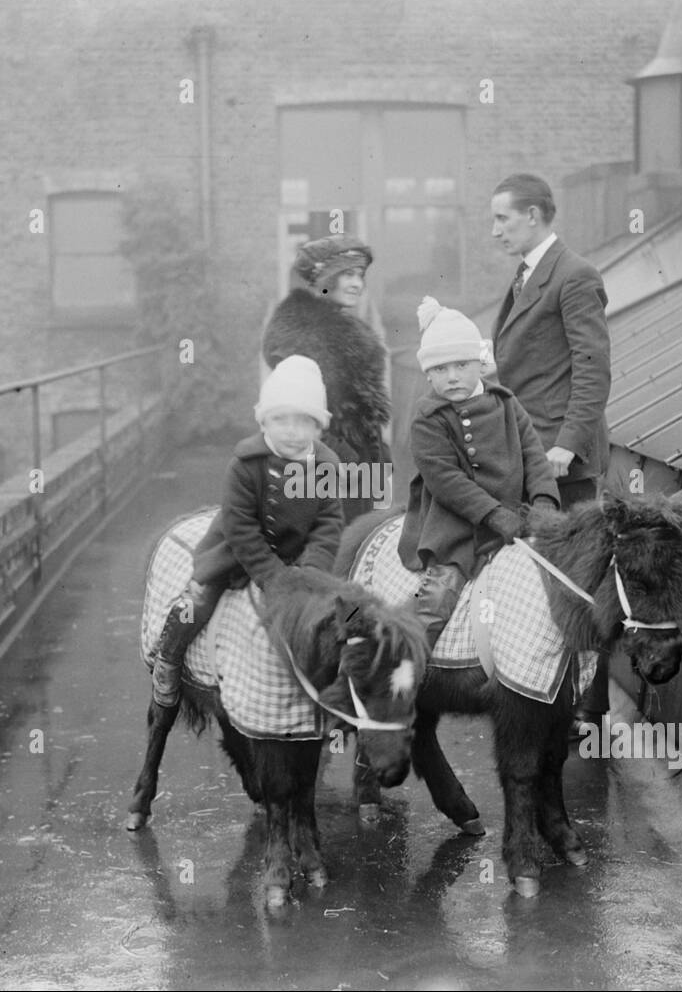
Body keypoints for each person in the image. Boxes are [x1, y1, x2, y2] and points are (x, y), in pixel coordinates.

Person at [148, 355, 345, 710]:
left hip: (300, 557)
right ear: (264, 421)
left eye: (304, 421)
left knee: (347, 609)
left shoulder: (326, 466)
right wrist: (272, 576)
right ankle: (169, 658)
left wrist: (313, 569)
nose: (291, 430)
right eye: (280, 419)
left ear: (319, 428)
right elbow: (241, 527)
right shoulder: (246, 463)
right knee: (198, 601)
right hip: (238, 553)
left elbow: (328, 523)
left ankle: (343, 684)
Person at [490, 172, 612, 715]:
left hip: (563, 462)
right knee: (543, 580)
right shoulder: (526, 276)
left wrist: (567, 443)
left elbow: (593, 368)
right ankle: (547, 696)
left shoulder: (574, 276)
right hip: (530, 455)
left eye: (502, 218)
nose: (495, 230)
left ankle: (589, 709)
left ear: (534, 215)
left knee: (581, 582)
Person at [398, 298, 561, 650]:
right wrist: (492, 514)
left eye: (461, 364)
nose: (452, 376)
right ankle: (407, 662)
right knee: (438, 598)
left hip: (515, 515)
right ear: (428, 374)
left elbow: (534, 455)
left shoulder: (505, 403)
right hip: (456, 524)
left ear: (480, 362)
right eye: (440, 369)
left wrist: (544, 501)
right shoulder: (429, 418)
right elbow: (447, 481)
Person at [262, 235, 391, 522]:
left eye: (360, 275)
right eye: (347, 274)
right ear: (323, 277)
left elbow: (363, 416)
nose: (357, 283)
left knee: (361, 546)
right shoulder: (298, 335)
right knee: (326, 551)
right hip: (318, 467)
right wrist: (348, 462)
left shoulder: (349, 329)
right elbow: (295, 419)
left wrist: (378, 463)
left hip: (358, 468)